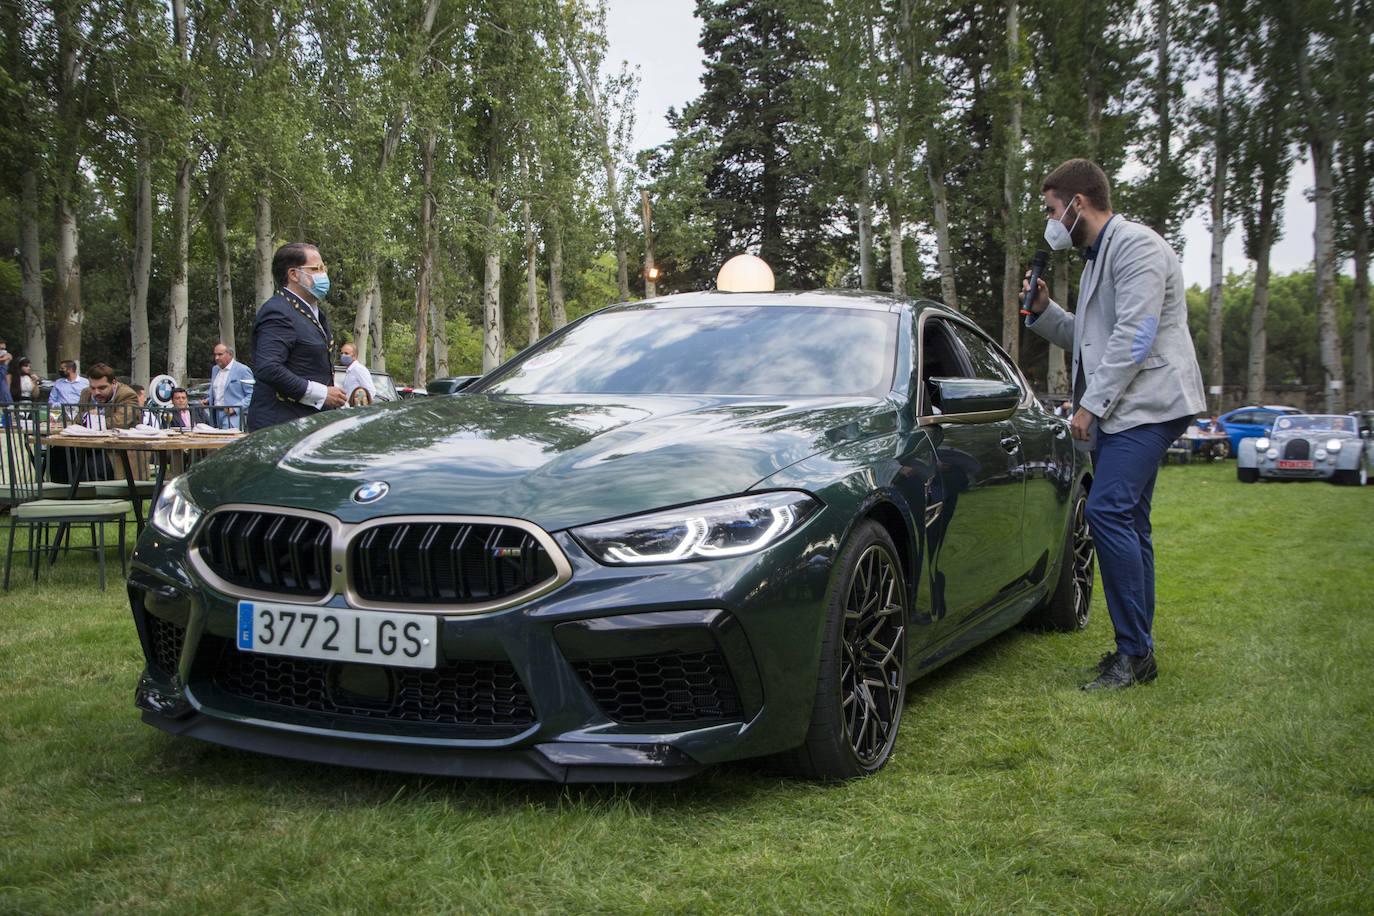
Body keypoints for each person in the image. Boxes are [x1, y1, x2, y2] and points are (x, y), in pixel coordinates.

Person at [1021, 158, 1206, 691]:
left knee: (1105, 512)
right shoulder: (1098, 258)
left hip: (1150, 404)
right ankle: (1138, 650)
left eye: (1053, 210)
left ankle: (1133, 653)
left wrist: (1090, 406)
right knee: (1130, 522)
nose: (1051, 222)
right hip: (1130, 406)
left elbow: (1135, 335)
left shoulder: (1138, 246)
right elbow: (1091, 338)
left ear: (1077, 203)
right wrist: (1045, 312)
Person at [246, 243, 346, 431]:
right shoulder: (278, 311)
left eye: (324, 268)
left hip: (307, 424)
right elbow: (269, 367)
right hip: (281, 427)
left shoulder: (313, 313)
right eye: (316, 269)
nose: (323, 274)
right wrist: (321, 393)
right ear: (293, 274)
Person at [75, 363, 140, 431]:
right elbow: (76, 418)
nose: (96, 392)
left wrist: (91, 419)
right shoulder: (86, 393)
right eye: (93, 388)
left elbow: (120, 422)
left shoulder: (127, 394)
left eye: (102, 388)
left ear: (113, 383)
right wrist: (87, 415)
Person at [205, 342, 254, 428]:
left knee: (229, 440)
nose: (216, 358)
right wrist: (208, 400)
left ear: (230, 354)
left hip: (234, 417)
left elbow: (252, 394)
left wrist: (235, 409)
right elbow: (218, 391)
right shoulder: (215, 369)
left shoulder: (243, 370)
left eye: (220, 354)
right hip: (215, 414)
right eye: (215, 355)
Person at [339, 342, 376, 406]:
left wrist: (360, 405)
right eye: (342, 353)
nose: (343, 356)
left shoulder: (359, 369)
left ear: (355, 356)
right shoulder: (350, 371)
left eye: (346, 353)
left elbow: (370, 391)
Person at [0, 340, 12, 405]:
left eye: (4, 349)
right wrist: (5, 363)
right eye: (1, 349)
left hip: (5, 403)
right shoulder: (4, 366)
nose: (3, 351)